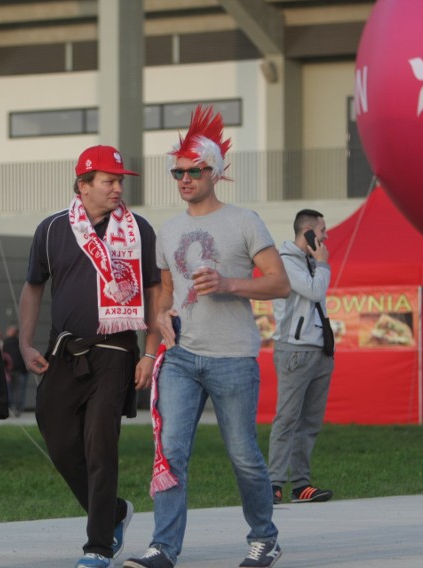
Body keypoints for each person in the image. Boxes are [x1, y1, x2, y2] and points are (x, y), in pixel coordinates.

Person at [124, 106, 290, 568]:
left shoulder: (244, 221)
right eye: (177, 172)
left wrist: (229, 284)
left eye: (193, 170)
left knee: (244, 456)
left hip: (232, 356)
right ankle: (164, 548)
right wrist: (156, 331)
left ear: (214, 171)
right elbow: (166, 293)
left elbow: (279, 282)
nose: (184, 179)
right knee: (170, 451)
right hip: (180, 357)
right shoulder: (168, 229)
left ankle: (264, 537)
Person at [19, 145, 161, 568]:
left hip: (116, 351)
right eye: (109, 180)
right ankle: (113, 511)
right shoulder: (51, 229)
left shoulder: (139, 230)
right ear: (83, 185)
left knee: (101, 444)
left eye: (120, 181)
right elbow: (32, 286)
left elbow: (154, 291)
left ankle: (98, 546)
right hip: (65, 349)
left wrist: (150, 352)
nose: (118, 188)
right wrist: (26, 343)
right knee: (59, 439)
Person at [268, 209, 335, 505]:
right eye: (322, 231)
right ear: (307, 231)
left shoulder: (309, 263)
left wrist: (317, 263)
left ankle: (301, 485)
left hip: (319, 350)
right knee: (287, 419)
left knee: (310, 422)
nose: (325, 236)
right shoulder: (286, 263)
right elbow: (313, 291)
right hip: (295, 351)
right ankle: (273, 484)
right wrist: (322, 264)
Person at [2, 325, 29, 416]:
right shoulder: (21, 343)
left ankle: (11, 407)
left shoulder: (5, 343)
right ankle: (18, 408)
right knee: (19, 390)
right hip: (21, 370)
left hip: (9, 371)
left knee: (10, 390)